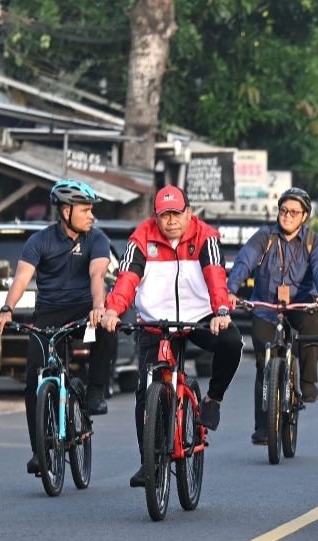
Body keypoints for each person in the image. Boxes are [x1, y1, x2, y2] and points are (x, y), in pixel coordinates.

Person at [100, 185, 243, 487]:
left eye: (177, 213)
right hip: (156, 323)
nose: (171, 221)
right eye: (164, 215)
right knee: (144, 391)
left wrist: (220, 311)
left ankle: (213, 400)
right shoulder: (142, 237)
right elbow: (127, 277)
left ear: (189, 213)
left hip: (199, 318)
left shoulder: (207, 236)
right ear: (156, 217)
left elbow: (216, 275)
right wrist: (113, 310)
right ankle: (148, 462)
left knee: (232, 342)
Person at [0, 180, 113, 477]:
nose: (91, 215)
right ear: (65, 211)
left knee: (107, 329)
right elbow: (21, 279)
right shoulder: (40, 241)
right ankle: (39, 451)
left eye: (91, 210)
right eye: (85, 210)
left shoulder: (97, 239)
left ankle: (96, 390)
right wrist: (6, 309)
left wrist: (99, 307)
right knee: (34, 379)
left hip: (86, 312)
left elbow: (98, 275)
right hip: (49, 315)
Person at [226, 187, 318, 444]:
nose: (287, 216)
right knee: (264, 363)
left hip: (301, 304)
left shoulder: (313, 242)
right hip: (265, 306)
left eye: (294, 212)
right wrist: (230, 290)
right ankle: (263, 428)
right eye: (283, 210)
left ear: (305, 216)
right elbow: (244, 261)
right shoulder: (264, 237)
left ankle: (308, 382)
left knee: (313, 322)